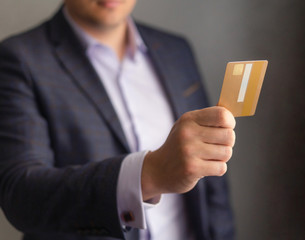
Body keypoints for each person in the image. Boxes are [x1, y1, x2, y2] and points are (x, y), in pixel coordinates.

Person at [0, 0, 235, 239]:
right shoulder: (19, 59)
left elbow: (212, 179)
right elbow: (21, 196)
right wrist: (150, 173)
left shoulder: (176, 50)